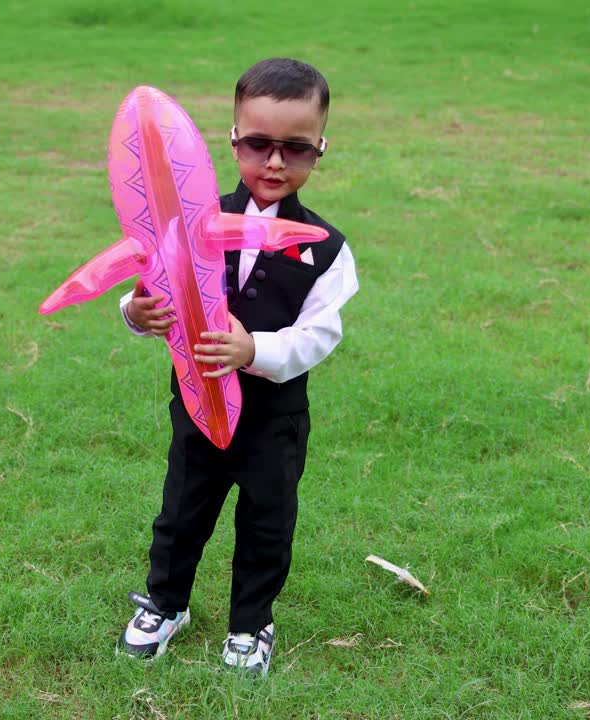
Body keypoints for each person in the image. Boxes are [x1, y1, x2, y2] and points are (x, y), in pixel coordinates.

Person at [115, 58, 359, 675]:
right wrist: (135, 310)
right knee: (181, 511)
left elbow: (319, 334)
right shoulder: (189, 222)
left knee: (266, 524)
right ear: (231, 139)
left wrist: (256, 351)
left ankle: (251, 624)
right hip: (197, 407)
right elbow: (155, 282)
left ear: (319, 149)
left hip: (273, 421)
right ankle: (166, 603)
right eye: (258, 144)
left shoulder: (326, 248)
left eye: (295, 148)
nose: (274, 163)